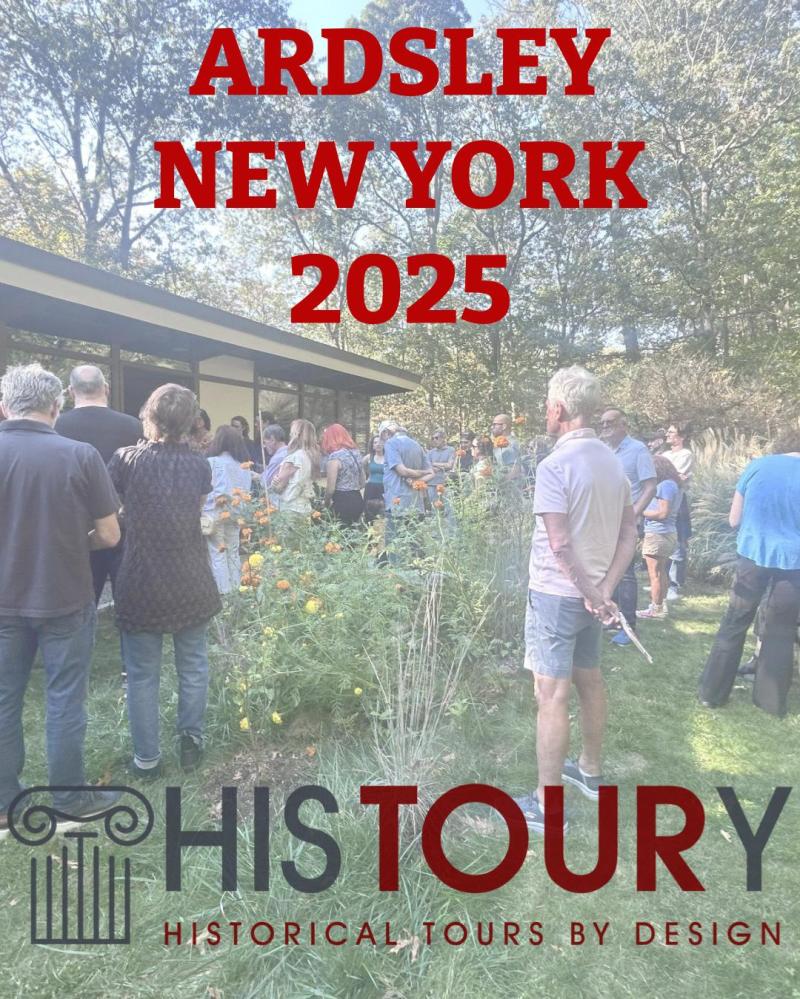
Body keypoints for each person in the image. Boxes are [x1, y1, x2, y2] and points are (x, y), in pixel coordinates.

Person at [0, 363, 122, 832]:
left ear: (5, 406)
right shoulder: (80, 455)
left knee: (5, 697)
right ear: (56, 406)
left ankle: (5, 800)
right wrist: (75, 539)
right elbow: (110, 534)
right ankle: (69, 798)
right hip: (66, 595)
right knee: (65, 698)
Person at [518, 367, 636, 836]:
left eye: (548, 405)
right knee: (590, 679)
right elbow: (629, 533)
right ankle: (589, 768)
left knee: (551, 693)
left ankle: (548, 809)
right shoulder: (613, 461)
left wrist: (593, 592)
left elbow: (560, 545)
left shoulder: (555, 466)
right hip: (592, 597)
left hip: (556, 594)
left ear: (560, 409)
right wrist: (605, 590)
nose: (545, 413)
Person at [108, 384, 222, 777]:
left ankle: (147, 759)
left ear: (149, 416)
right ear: (192, 421)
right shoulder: (198, 465)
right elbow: (195, 515)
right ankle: (191, 743)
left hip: (140, 576)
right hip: (190, 574)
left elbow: (116, 512)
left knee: (141, 674)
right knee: (193, 665)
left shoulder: (125, 460)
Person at [699, 430, 800, 717]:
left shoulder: (758, 465)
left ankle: (712, 693)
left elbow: (733, 520)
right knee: (781, 630)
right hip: (794, 562)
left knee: (735, 620)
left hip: (752, 555)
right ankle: (770, 702)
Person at [55, 364, 142, 604]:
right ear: (106, 388)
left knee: (81, 600)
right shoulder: (133, 426)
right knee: (126, 597)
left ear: (71, 392)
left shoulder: (57, 427)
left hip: (76, 526)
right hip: (123, 521)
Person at [598, 408, 656, 646]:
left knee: (625, 574)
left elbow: (650, 486)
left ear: (624, 424)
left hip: (625, 522)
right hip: (603, 521)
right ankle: (612, 619)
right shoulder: (602, 451)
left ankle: (629, 627)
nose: (605, 426)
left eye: (610, 422)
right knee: (604, 570)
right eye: (602, 423)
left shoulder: (638, 450)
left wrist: (633, 514)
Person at [205, 425, 255, 594]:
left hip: (215, 512)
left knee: (217, 552)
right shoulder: (244, 466)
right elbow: (247, 491)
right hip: (237, 513)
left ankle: (223, 593)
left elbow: (207, 489)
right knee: (233, 551)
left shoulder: (213, 462)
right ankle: (236, 589)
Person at [637, 456, 684, 620]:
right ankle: (660, 605)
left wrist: (640, 511)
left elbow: (663, 513)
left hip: (658, 533)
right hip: (667, 533)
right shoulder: (673, 484)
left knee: (654, 574)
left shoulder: (665, 485)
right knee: (661, 572)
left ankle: (655, 609)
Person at [379, 420, 433, 561]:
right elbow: (430, 473)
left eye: (381, 436)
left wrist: (414, 477)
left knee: (394, 542)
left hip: (397, 501)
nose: (381, 441)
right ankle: (421, 570)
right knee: (415, 541)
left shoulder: (391, 444)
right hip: (415, 503)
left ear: (386, 432)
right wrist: (417, 482)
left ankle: (396, 576)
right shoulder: (417, 446)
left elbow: (402, 471)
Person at [664, 422, 694, 600]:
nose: (667, 434)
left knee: (678, 541)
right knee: (664, 538)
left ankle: (674, 585)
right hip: (663, 500)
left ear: (681, 437)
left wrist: (673, 476)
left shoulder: (686, 454)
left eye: (671, 432)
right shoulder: (665, 454)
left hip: (678, 503)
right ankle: (663, 581)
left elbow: (674, 475)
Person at [270, 418, 320, 519]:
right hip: (304, 507)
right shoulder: (311, 457)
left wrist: (273, 482)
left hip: (289, 507)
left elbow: (279, 487)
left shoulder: (294, 458)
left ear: (296, 435)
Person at [321, 423, 365, 525]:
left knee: (339, 536)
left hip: (341, 501)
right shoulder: (356, 453)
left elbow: (330, 489)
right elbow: (363, 482)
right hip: (357, 498)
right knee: (353, 535)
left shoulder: (335, 457)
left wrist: (326, 503)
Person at [426, 429, 456, 504]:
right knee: (434, 509)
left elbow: (450, 465)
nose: (434, 440)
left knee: (448, 508)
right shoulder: (430, 453)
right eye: (432, 438)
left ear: (443, 438)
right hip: (432, 484)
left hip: (446, 484)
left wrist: (435, 463)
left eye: (436, 438)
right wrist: (443, 467)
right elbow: (428, 467)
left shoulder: (451, 450)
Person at [490, 413, 521, 478]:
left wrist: (503, 484)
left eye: (495, 424)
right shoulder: (496, 442)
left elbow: (515, 470)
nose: (492, 427)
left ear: (504, 426)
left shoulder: (512, 444)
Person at [363, 434, 385, 523]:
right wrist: (366, 478)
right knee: (369, 514)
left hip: (383, 488)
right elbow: (361, 468)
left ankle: (381, 534)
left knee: (382, 513)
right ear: (372, 445)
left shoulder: (389, 457)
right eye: (375, 442)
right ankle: (369, 534)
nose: (378, 444)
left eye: (380, 442)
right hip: (370, 488)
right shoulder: (369, 457)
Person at [261, 424, 289, 491]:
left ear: (272, 440)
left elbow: (265, 483)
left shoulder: (278, 458)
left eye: (264, 442)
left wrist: (261, 478)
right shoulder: (289, 452)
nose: (264, 446)